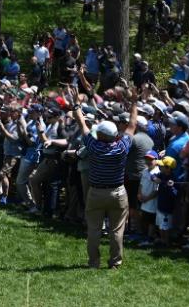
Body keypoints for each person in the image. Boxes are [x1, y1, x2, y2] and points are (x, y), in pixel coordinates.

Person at [73, 100, 137, 269]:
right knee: (116, 231)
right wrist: (134, 102)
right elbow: (132, 125)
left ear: (100, 135)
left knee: (94, 230)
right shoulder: (122, 147)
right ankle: (115, 263)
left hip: (96, 193)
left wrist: (76, 106)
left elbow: (82, 124)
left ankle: (94, 263)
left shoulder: (93, 146)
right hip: (117, 192)